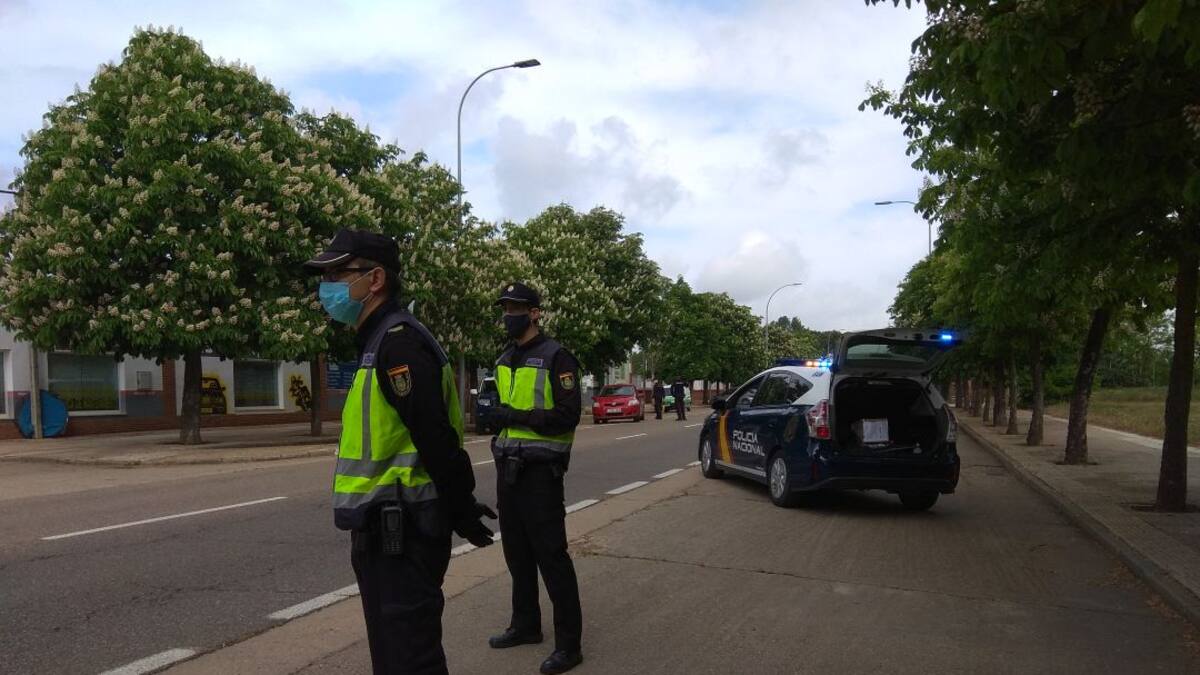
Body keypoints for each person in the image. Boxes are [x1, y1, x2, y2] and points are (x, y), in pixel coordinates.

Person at [305, 229, 497, 675]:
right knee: (396, 658)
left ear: (374, 280)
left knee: (410, 660)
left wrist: (462, 509)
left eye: (338, 274)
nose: (327, 286)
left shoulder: (399, 345)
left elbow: (436, 438)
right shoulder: (378, 343)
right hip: (386, 531)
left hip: (403, 534)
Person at [488, 283, 585, 675]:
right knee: (517, 555)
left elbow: (568, 415)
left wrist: (513, 415)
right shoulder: (503, 358)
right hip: (508, 469)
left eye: (515, 308)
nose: (508, 314)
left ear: (534, 313)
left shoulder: (557, 357)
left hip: (542, 473)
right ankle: (526, 625)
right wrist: (492, 415)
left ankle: (569, 646)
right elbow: (496, 407)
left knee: (552, 558)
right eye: (505, 307)